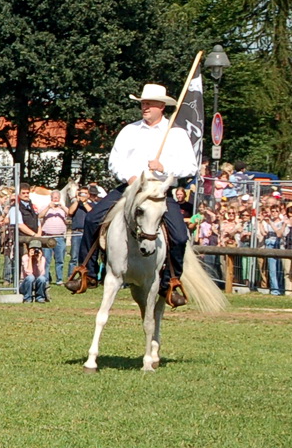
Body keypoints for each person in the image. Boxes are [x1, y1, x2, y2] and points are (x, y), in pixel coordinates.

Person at [65, 82, 198, 305]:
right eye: (143, 103)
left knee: (180, 236)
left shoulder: (176, 134)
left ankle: (170, 282)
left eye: (149, 104)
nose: (144, 107)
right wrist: (130, 177)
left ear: (161, 107)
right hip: (130, 188)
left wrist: (164, 167)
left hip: (159, 191)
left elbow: (191, 167)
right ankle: (86, 272)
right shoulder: (130, 131)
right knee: (92, 218)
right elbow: (114, 162)